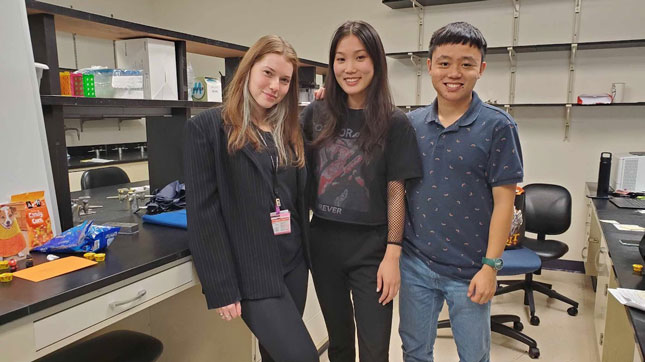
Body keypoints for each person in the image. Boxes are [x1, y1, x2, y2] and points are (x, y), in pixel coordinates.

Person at [184, 35, 318, 362]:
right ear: (248, 70)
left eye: (284, 80)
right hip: (252, 270)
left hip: (294, 262)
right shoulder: (208, 128)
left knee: (275, 355)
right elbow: (204, 215)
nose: (275, 86)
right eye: (268, 73)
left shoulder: (289, 130)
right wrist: (221, 286)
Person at [399, 22, 524, 362]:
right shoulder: (411, 125)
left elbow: (504, 205)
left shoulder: (498, 126)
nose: (454, 73)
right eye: (444, 62)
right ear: (429, 67)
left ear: (481, 69)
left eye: (466, 64)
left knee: (473, 356)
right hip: (416, 264)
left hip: (470, 269)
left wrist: (490, 267)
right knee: (415, 351)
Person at [301, 21, 422, 362]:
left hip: (373, 249)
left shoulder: (395, 122)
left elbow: (397, 191)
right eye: (340, 59)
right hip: (323, 243)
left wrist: (392, 255)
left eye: (359, 57)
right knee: (339, 343)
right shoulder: (316, 114)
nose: (349, 68)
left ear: (376, 63)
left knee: (374, 348)